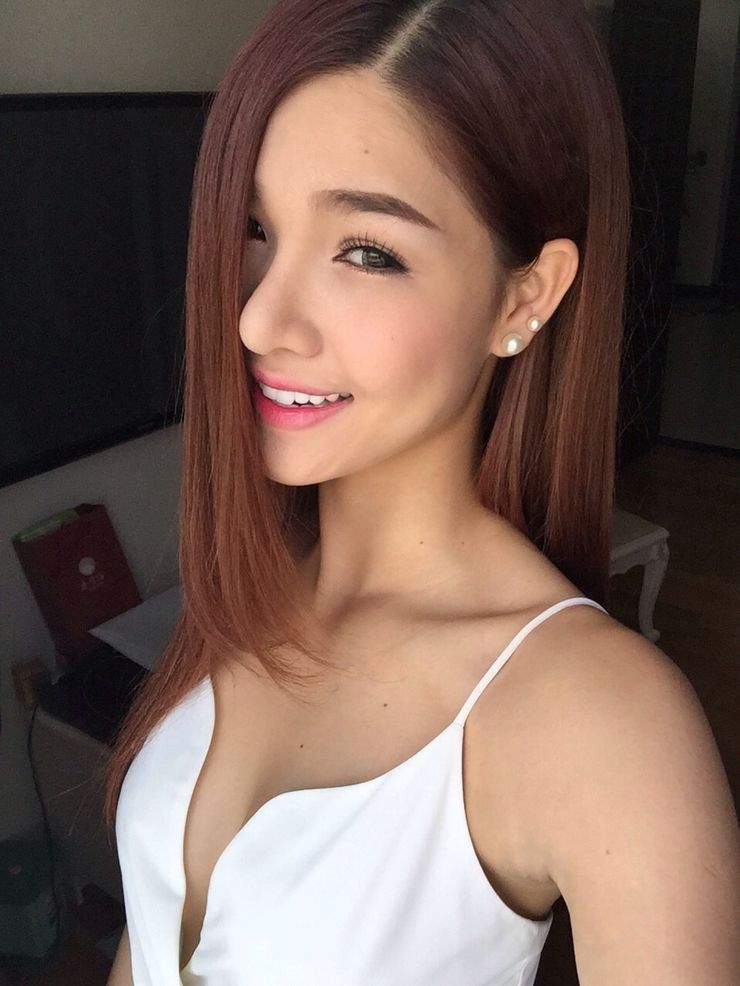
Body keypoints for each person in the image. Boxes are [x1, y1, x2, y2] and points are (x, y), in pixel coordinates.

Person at [105, 1, 740, 984]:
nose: (258, 318)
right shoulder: (248, 596)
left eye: (366, 251)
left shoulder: (603, 722)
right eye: (255, 227)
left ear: (525, 295)